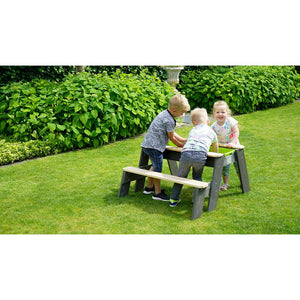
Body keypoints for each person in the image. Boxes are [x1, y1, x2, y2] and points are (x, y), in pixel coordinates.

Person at [141, 94, 190, 201]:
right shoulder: (169, 120)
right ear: (174, 110)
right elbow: (171, 136)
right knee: (157, 169)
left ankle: (149, 187)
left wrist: (182, 139)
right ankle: (157, 193)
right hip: (154, 147)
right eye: (181, 112)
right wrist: (180, 145)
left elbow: (171, 132)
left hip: (148, 145)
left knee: (154, 166)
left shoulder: (164, 114)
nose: (182, 114)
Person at [169, 108, 218, 207]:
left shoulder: (193, 129)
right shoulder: (211, 131)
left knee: (181, 177)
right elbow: (215, 145)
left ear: (194, 122)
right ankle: (196, 199)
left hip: (186, 153)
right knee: (197, 177)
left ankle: (173, 199)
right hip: (200, 155)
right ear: (208, 121)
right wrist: (215, 154)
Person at [211, 100, 240, 191]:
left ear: (227, 113)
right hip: (224, 148)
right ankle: (225, 183)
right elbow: (211, 137)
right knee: (224, 167)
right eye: (218, 112)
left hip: (235, 147)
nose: (220, 114)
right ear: (214, 113)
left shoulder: (231, 121)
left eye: (223, 112)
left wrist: (233, 143)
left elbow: (236, 132)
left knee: (238, 165)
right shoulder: (214, 126)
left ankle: (242, 181)